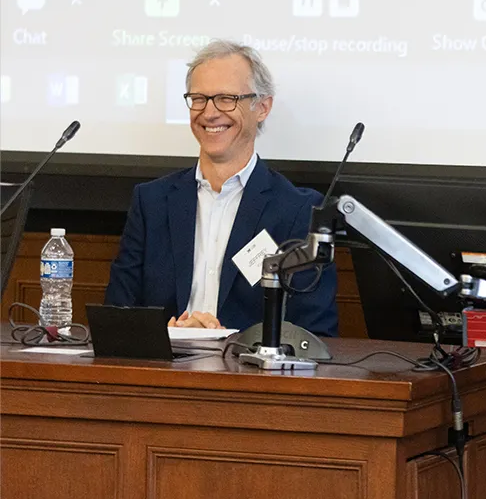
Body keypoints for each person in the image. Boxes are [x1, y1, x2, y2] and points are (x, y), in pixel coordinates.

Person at [106, 40, 338, 337]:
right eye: (199, 98)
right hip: (163, 373)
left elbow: (315, 335)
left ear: (262, 107)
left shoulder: (298, 211)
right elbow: (116, 317)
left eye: (227, 98)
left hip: (248, 377)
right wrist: (171, 336)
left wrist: (225, 340)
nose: (210, 113)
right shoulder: (151, 202)